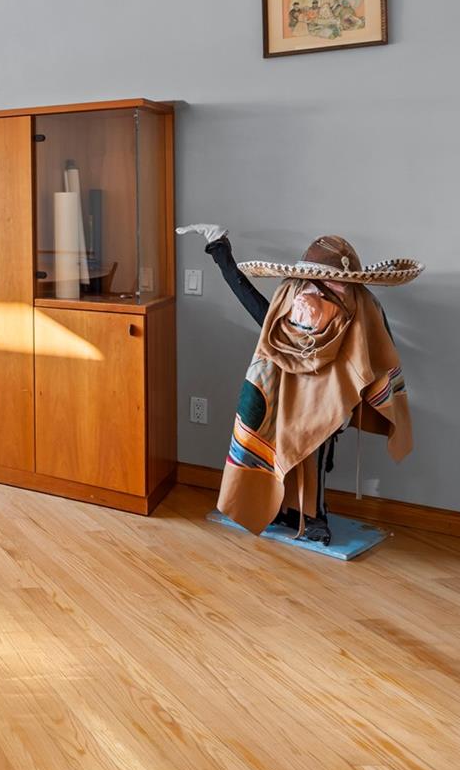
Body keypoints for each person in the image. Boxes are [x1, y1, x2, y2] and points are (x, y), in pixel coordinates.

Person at [178, 225, 419, 543]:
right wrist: (220, 251)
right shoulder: (291, 292)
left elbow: (377, 347)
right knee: (278, 444)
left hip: (329, 390)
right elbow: (263, 317)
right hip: (284, 382)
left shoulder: (364, 304)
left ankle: (313, 515)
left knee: (317, 450)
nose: (330, 287)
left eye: (339, 282)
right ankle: (279, 507)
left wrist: (359, 391)